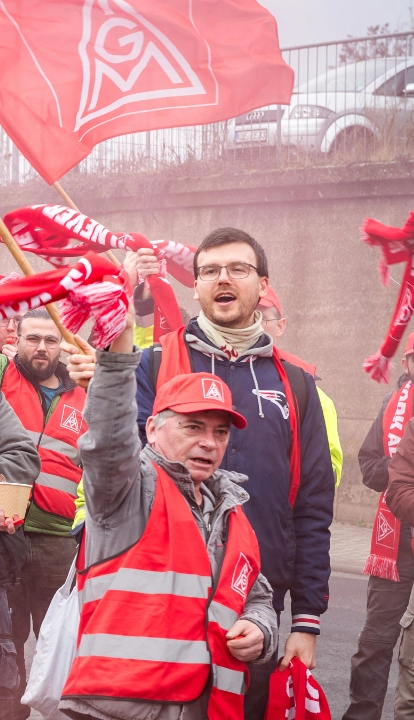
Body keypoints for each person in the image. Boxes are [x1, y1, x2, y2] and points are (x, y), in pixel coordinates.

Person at [134, 228, 334, 716]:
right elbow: (120, 473)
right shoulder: (155, 364)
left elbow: (313, 505)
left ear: (262, 285)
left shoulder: (297, 384)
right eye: (209, 271)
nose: (222, 278)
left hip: (255, 603)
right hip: (161, 590)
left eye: (238, 269)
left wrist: (305, 621)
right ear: (196, 287)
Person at [57, 317, 277, 720]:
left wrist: (260, 629)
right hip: (120, 709)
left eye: (221, 432)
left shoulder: (231, 509)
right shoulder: (129, 486)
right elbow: (108, 438)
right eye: (193, 427)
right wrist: (117, 355)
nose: (209, 443)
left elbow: (257, 595)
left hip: (206, 708)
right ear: (153, 429)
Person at [0, 306, 86, 718]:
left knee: (58, 642)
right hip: (5, 533)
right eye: (33, 338)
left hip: (60, 542)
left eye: (50, 339)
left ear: (62, 345)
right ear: (16, 338)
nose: (41, 347)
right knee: (2, 643)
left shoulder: (86, 392)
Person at [344, 336, 414, 720]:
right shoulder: (391, 405)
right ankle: (362, 714)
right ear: (406, 365)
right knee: (376, 640)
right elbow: (369, 465)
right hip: (395, 541)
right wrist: (404, 468)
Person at [257, 287, 344, 485]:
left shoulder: (305, 388)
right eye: (245, 316)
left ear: (280, 326)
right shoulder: (212, 376)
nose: (251, 325)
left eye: (261, 318)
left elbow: (329, 471)